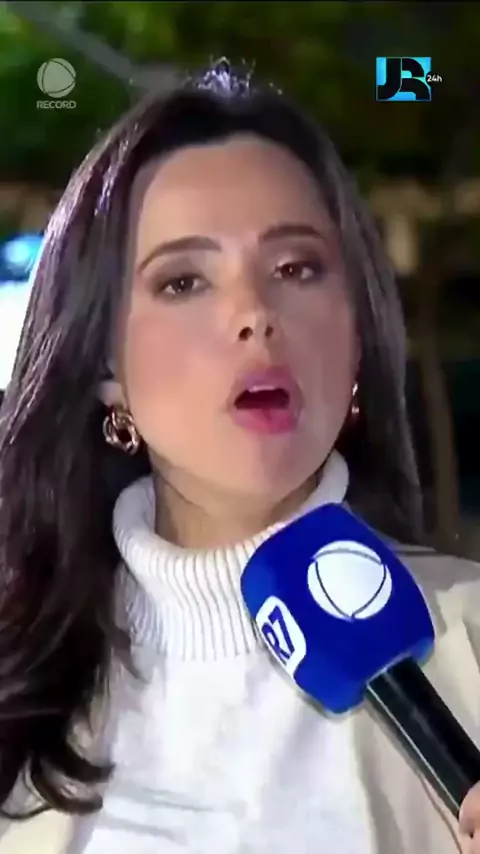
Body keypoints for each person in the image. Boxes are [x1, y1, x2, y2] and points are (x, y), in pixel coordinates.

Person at [0, 57, 479, 854]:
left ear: (357, 334)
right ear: (105, 367)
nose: (255, 313)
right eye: (183, 282)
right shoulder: (17, 678)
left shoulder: (468, 644)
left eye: (295, 268)